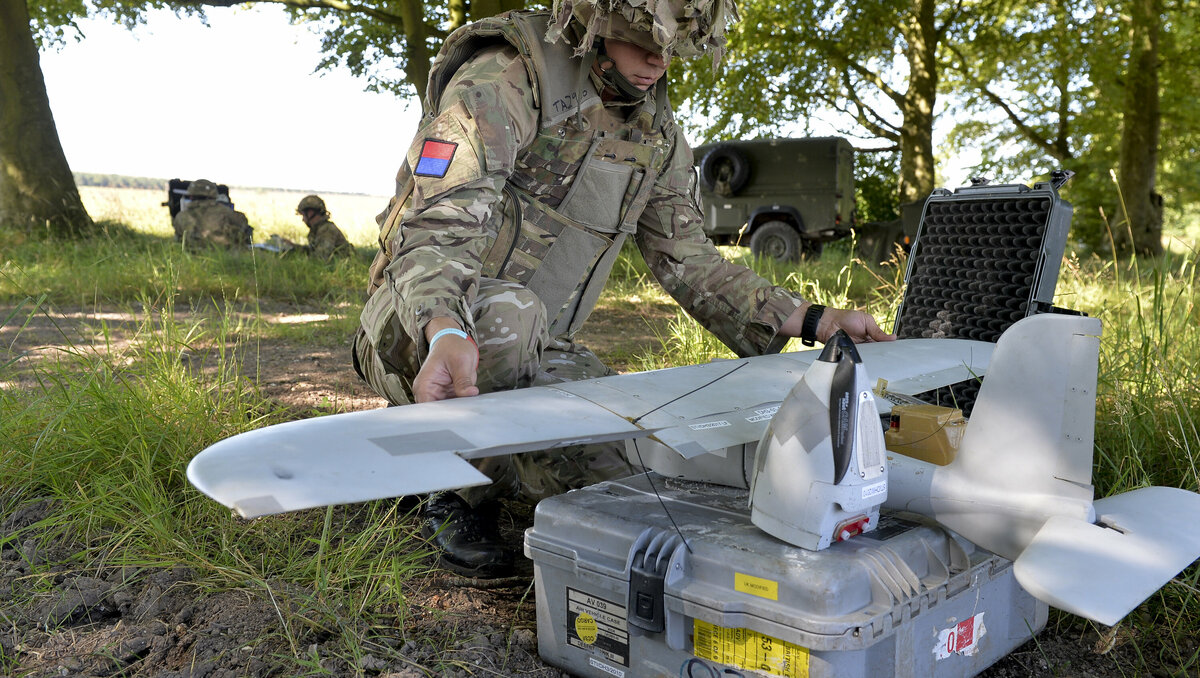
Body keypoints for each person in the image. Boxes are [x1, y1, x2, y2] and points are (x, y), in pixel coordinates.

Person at [353, 0, 894, 578]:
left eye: (670, 49)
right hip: (420, 330)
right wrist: (444, 328)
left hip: (537, 345)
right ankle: (448, 486)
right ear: (596, 25)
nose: (657, 61)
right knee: (510, 316)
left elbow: (691, 261)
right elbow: (437, 225)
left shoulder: (654, 129)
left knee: (624, 464)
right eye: (641, 41)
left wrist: (813, 320)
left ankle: (498, 459)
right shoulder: (507, 75)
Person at [172, 179, 253, 250]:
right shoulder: (225, 211)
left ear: (191, 196)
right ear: (213, 195)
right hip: (227, 254)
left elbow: (179, 238)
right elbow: (243, 224)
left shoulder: (180, 216)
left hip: (194, 255)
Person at [288, 195, 355, 260]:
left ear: (310, 213)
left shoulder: (327, 230)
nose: (303, 220)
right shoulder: (319, 228)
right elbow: (313, 250)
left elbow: (320, 258)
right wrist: (293, 246)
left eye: (303, 215)